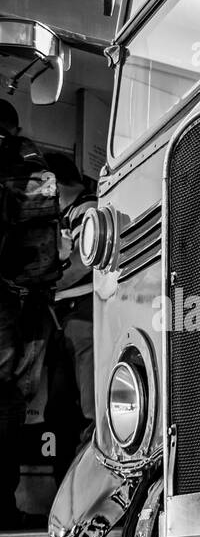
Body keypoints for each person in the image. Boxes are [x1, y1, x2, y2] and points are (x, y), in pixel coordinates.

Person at [0, 98, 61, 528]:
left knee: (8, 402)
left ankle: (3, 504)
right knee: (15, 403)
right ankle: (4, 503)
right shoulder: (33, 160)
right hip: (34, 301)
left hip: (8, 303)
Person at [46, 152, 96, 446]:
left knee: (86, 403)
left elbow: (84, 260)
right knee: (60, 406)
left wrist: (50, 280)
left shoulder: (86, 207)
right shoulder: (65, 214)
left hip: (83, 312)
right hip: (66, 317)